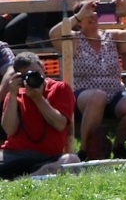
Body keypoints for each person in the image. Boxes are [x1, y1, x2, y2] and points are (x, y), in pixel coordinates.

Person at [48, 0, 126, 160]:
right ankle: (84, 150)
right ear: (80, 20)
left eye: (95, 12)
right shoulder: (73, 39)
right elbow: (53, 34)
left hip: (114, 94)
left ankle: (118, 146)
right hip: (82, 97)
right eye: (88, 13)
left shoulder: (111, 37)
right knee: (98, 96)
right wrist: (78, 16)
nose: (93, 15)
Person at [0, 52, 79, 180]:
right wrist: (13, 94)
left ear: (43, 69)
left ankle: (28, 178)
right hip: (14, 154)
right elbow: (9, 129)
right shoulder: (14, 94)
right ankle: (35, 176)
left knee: (72, 159)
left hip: (47, 157)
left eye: (36, 72)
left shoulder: (60, 89)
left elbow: (59, 124)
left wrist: (38, 98)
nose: (34, 77)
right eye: (28, 75)